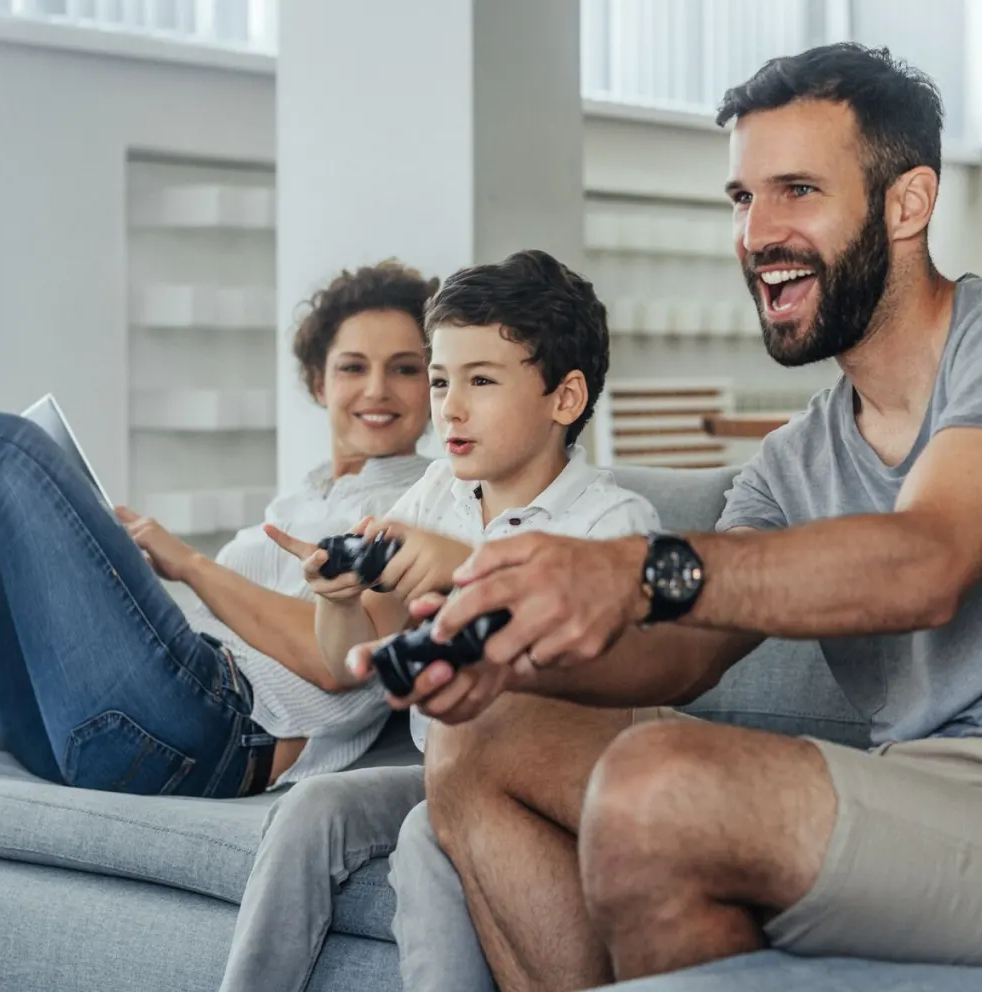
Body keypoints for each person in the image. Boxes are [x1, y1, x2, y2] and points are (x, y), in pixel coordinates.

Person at [377, 43, 982, 990]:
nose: (758, 234)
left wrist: (628, 570)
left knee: (656, 783)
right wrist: (507, 643)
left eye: (797, 190)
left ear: (907, 203)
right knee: (478, 742)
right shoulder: (798, 459)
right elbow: (683, 652)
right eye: (742, 199)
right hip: (923, 796)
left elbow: (925, 562)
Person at [215, 249, 660, 992]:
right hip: (436, 770)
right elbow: (353, 655)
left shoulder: (612, 525)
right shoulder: (437, 493)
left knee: (429, 836)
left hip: (546, 783)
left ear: (565, 397)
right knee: (315, 807)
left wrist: (464, 567)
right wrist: (340, 599)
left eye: (481, 382)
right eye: (444, 379)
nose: (448, 407)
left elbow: (597, 689)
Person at [0, 260, 439, 797]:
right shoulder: (299, 499)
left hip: (213, 731)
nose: (377, 390)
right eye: (353, 367)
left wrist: (191, 565)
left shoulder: (424, 510)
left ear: (434, 386)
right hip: (82, 725)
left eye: (405, 368)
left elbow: (341, 664)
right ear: (319, 382)